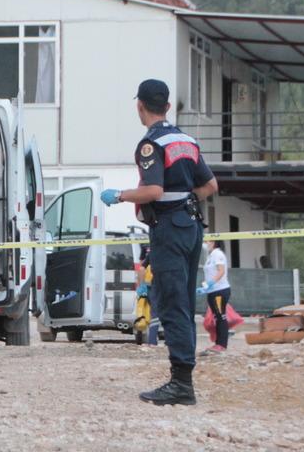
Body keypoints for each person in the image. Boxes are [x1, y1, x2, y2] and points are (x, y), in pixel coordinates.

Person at [100, 79, 218, 406]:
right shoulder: (186, 140)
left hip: (168, 228)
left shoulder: (151, 144)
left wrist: (120, 195)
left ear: (140, 106)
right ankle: (184, 378)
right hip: (191, 225)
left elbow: (153, 191)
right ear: (167, 106)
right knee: (182, 303)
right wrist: (186, 200)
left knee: (170, 303)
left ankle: (181, 383)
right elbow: (210, 185)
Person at [202, 240, 231, 354]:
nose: (205, 244)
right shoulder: (211, 256)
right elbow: (211, 273)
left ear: (213, 242)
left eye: (207, 241)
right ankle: (218, 343)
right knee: (217, 317)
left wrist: (210, 284)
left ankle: (221, 344)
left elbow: (221, 271)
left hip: (219, 291)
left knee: (220, 317)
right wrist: (206, 286)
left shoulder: (218, 254)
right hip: (213, 291)